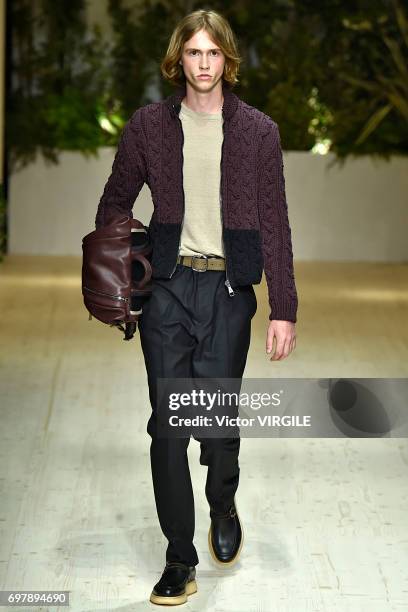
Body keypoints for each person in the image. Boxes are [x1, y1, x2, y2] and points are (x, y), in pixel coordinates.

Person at [95, 9, 298, 606]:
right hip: (169, 291)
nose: (203, 64)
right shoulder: (148, 127)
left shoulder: (259, 132)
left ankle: (223, 499)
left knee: (214, 424)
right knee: (168, 426)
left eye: (213, 54)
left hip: (231, 292)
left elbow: (276, 227)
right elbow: (114, 204)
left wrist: (282, 308)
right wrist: (122, 272)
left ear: (226, 60)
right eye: (193, 54)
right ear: (178, 59)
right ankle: (179, 558)